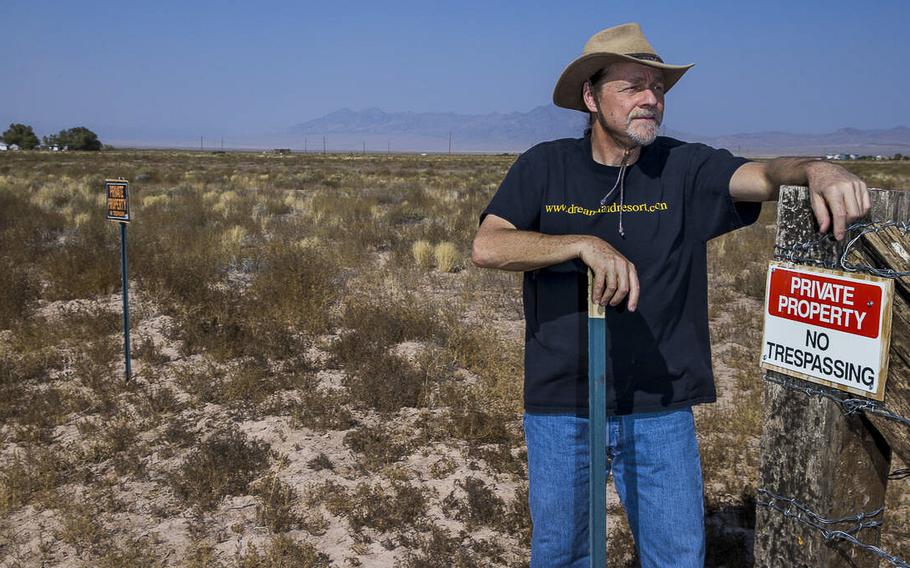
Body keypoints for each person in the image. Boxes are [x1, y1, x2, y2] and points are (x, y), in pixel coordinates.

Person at [471, 22, 870, 568]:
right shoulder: (545, 165)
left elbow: (763, 176)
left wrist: (816, 168)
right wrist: (582, 244)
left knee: (676, 556)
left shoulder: (684, 168)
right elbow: (489, 246)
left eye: (657, 88)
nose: (650, 100)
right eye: (632, 86)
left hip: (659, 406)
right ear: (591, 97)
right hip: (563, 404)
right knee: (562, 554)